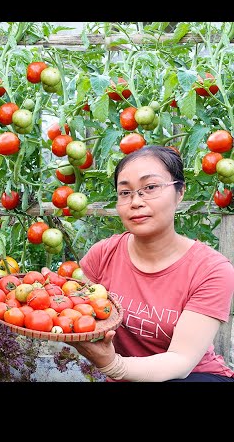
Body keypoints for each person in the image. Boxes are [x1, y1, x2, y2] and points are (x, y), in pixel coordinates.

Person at [69, 145, 234, 382]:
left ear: (180, 193)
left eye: (150, 188)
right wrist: (49, 292)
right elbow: (73, 310)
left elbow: (181, 361)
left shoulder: (211, 270)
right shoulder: (104, 254)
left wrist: (114, 366)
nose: (136, 201)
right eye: (125, 192)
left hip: (194, 377)